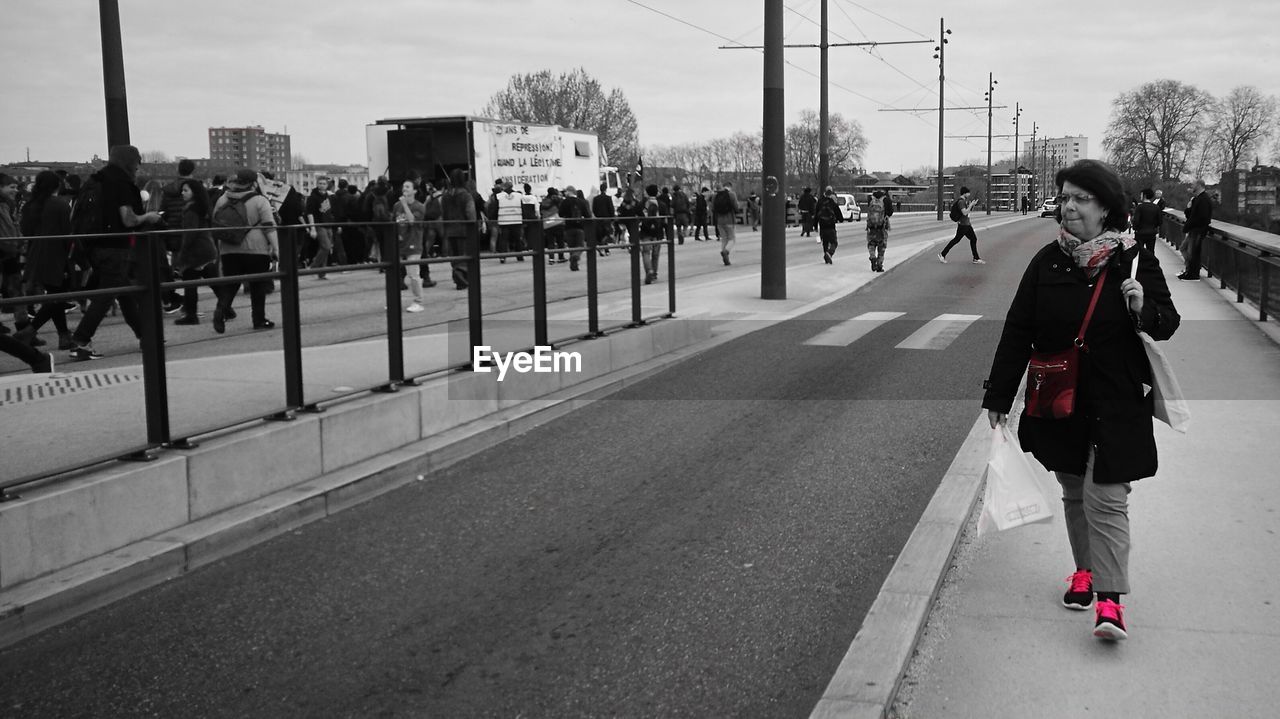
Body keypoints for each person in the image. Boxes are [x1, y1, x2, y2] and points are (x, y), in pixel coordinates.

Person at [982, 159, 1180, 642]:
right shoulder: (1045, 262)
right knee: (1074, 491)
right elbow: (1018, 330)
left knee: (1107, 498)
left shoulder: (1133, 261)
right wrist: (999, 393)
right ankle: (1084, 571)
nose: (1068, 206)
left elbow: (1167, 323)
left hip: (1116, 399)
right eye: (1064, 197)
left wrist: (1142, 307)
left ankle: (1110, 601)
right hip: (1060, 398)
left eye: (1080, 198)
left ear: (1106, 207)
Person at [67, 145, 164, 360]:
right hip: (115, 245)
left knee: (123, 290)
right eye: (138, 162)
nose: (139, 167)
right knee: (108, 293)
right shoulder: (122, 183)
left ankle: (146, 335)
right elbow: (128, 219)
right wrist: (149, 217)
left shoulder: (95, 180)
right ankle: (81, 340)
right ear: (130, 162)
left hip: (93, 244)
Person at [210, 169, 279, 333]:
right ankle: (259, 320)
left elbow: (216, 223)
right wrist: (276, 248)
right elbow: (269, 226)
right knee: (258, 287)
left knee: (231, 284)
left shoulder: (223, 199)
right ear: (254, 183)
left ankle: (221, 310)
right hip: (256, 250)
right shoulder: (260, 200)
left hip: (229, 249)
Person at [15, 171, 74, 349]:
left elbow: (25, 230)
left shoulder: (30, 205)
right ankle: (30, 331)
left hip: (36, 254)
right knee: (57, 298)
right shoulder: (61, 205)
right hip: (56, 255)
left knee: (55, 296)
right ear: (57, 185)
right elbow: (68, 233)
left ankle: (63, 336)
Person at [172, 179, 219, 325]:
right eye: (182, 190)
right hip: (207, 248)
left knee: (190, 283)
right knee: (214, 282)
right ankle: (226, 307)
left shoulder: (191, 210)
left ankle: (191, 315)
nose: (182, 193)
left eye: (186, 190)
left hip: (195, 251)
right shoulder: (202, 207)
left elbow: (189, 233)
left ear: (194, 192)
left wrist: (183, 253)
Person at [393, 179, 428, 312]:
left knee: (413, 274)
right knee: (394, 274)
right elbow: (394, 222)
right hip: (400, 244)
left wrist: (404, 204)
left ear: (414, 190)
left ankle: (418, 302)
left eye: (407, 187)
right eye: (403, 186)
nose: (404, 189)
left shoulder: (419, 206)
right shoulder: (396, 206)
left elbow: (413, 221)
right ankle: (394, 301)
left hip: (414, 243)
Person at [440, 168, 476, 290]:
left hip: (450, 230)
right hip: (464, 230)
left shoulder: (445, 196)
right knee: (464, 255)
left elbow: (442, 214)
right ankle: (462, 276)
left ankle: (458, 276)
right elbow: (471, 214)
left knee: (454, 256)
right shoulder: (466, 195)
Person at [938, 187, 984, 264]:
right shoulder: (961, 202)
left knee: (973, 239)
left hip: (967, 225)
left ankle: (976, 258)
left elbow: (967, 212)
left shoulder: (963, 201)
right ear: (964, 193)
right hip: (963, 225)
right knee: (957, 240)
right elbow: (965, 213)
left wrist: (972, 205)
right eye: (968, 193)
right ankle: (942, 254)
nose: (969, 194)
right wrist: (970, 205)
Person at [1179, 179, 1212, 281]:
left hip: (1198, 230)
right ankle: (1190, 269)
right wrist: (1188, 208)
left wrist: (1191, 224)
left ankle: (1193, 274)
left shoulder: (1204, 199)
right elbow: (1190, 214)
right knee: (1184, 248)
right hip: (1193, 230)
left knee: (1193, 252)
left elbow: (1202, 217)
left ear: (1199, 185)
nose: (1191, 186)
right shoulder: (1197, 199)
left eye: (1193, 185)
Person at [559, 185, 592, 272]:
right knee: (580, 246)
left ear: (570, 191)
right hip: (579, 227)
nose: (565, 193)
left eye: (566, 191)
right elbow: (588, 215)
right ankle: (576, 257)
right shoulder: (581, 202)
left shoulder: (564, 202)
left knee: (571, 246)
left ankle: (573, 265)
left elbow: (560, 214)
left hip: (568, 227)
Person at [492, 181, 524, 263]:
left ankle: (503, 257)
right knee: (518, 239)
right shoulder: (519, 195)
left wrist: (494, 218)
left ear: (504, 187)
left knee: (503, 239)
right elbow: (523, 208)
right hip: (517, 220)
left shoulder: (499, 196)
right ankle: (519, 256)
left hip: (504, 221)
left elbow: (495, 209)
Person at [638, 184, 664, 283]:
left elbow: (637, 213)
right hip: (658, 232)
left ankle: (649, 270)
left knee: (645, 252)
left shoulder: (642, 204)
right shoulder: (661, 204)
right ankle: (654, 273)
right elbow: (665, 219)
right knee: (656, 254)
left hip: (645, 231)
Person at [865, 189, 894, 272]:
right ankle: (879, 265)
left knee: (871, 243)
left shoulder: (871, 199)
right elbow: (890, 212)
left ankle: (872, 256)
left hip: (871, 226)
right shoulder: (886, 200)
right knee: (882, 246)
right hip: (882, 227)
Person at [813, 186, 842, 264]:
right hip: (831, 226)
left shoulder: (820, 202)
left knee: (825, 242)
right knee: (834, 242)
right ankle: (829, 253)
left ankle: (826, 255)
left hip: (822, 226)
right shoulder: (832, 201)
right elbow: (838, 212)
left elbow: (816, 214)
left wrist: (815, 226)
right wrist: (840, 219)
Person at [713, 181, 739, 266]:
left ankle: (725, 258)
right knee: (732, 239)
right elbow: (736, 207)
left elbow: (713, 208)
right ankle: (726, 251)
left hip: (719, 221)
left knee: (724, 239)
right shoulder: (731, 195)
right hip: (730, 220)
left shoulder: (715, 196)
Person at [1130, 188, 1162, 254]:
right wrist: (1153, 227)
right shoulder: (1156, 207)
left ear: (1144, 195)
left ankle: (1141, 264)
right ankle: (1150, 264)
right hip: (1152, 233)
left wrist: (1135, 228)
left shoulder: (1140, 207)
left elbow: (1136, 221)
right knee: (1151, 251)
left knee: (1140, 252)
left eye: (1141, 194)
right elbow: (1160, 221)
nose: (1140, 196)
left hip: (1140, 233)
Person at [591, 182, 616, 253]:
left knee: (601, 234)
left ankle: (602, 247)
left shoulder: (596, 198)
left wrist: (597, 215)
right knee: (607, 233)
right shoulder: (608, 198)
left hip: (599, 219)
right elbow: (611, 208)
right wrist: (612, 218)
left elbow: (594, 209)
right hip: (607, 218)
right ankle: (605, 249)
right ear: (606, 189)